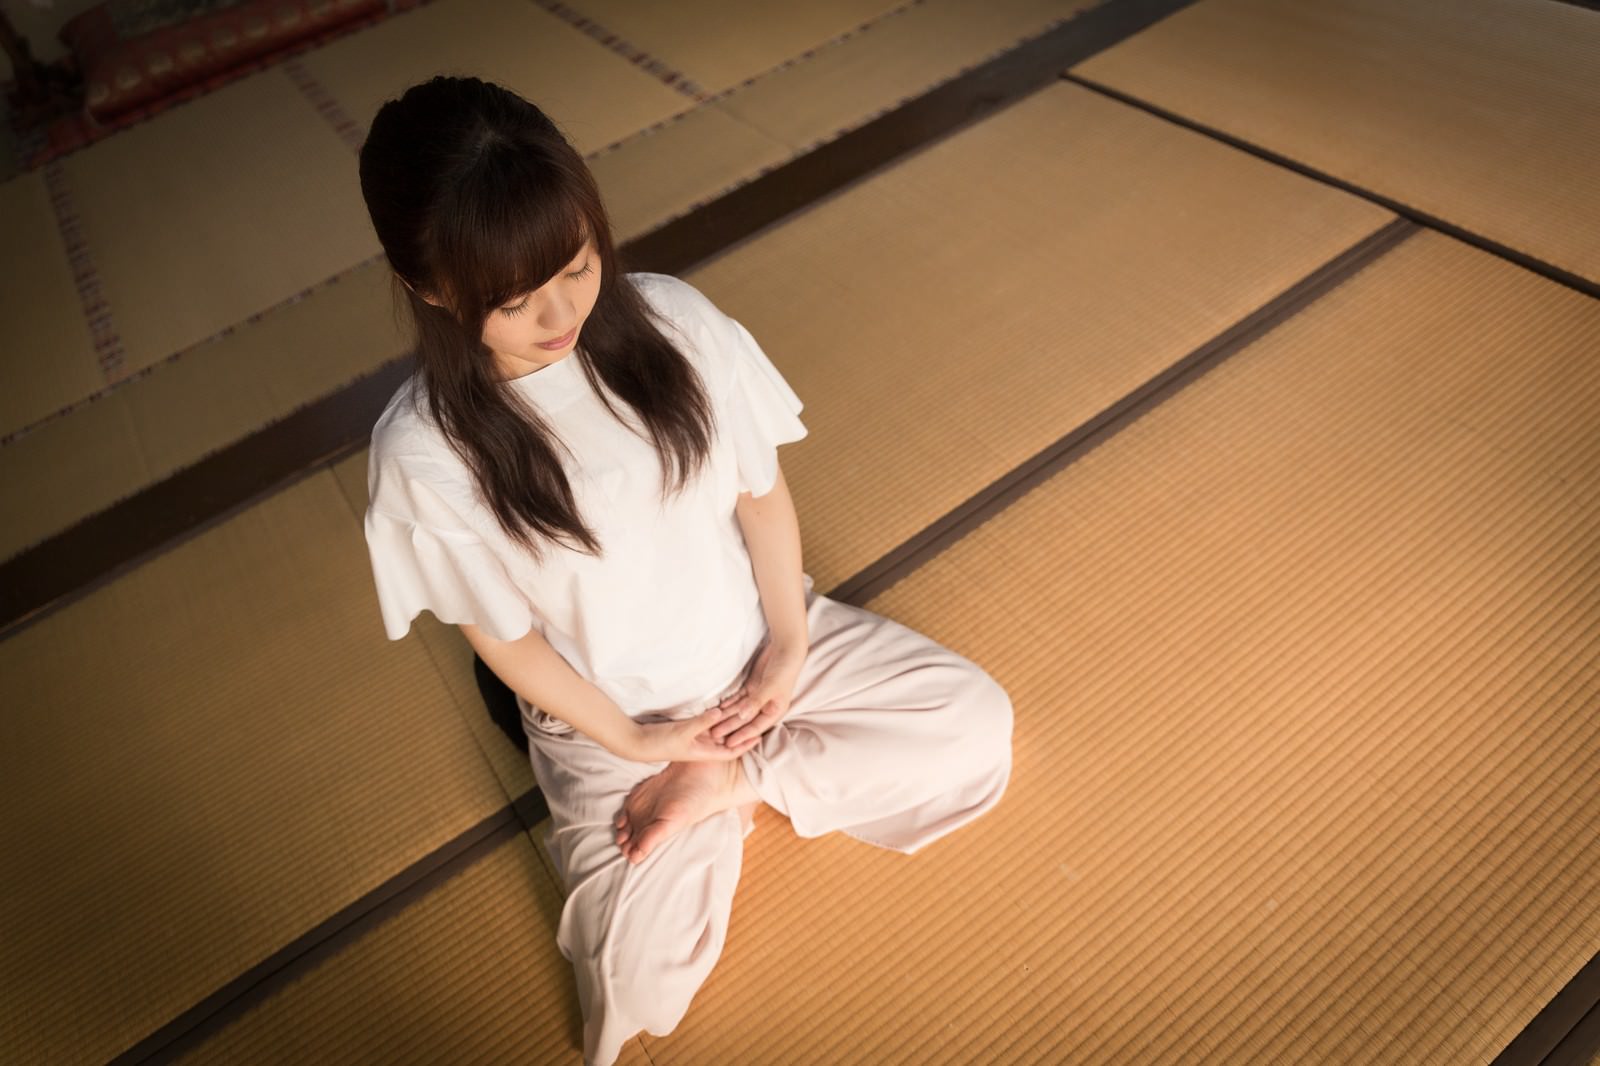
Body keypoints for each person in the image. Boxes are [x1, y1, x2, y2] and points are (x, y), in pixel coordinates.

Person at [355, 75, 1014, 1066]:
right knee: (636, 992)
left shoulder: (669, 319)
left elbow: (759, 494)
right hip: (610, 722)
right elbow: (506, 641)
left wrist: (787, 648)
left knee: (975, 726)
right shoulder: (423, 452)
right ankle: (719, 784)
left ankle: (732, 787)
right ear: (433, 290)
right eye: (515, 299)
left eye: (575, 265)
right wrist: (634, 734)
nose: (558, 313)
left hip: (759, 646)